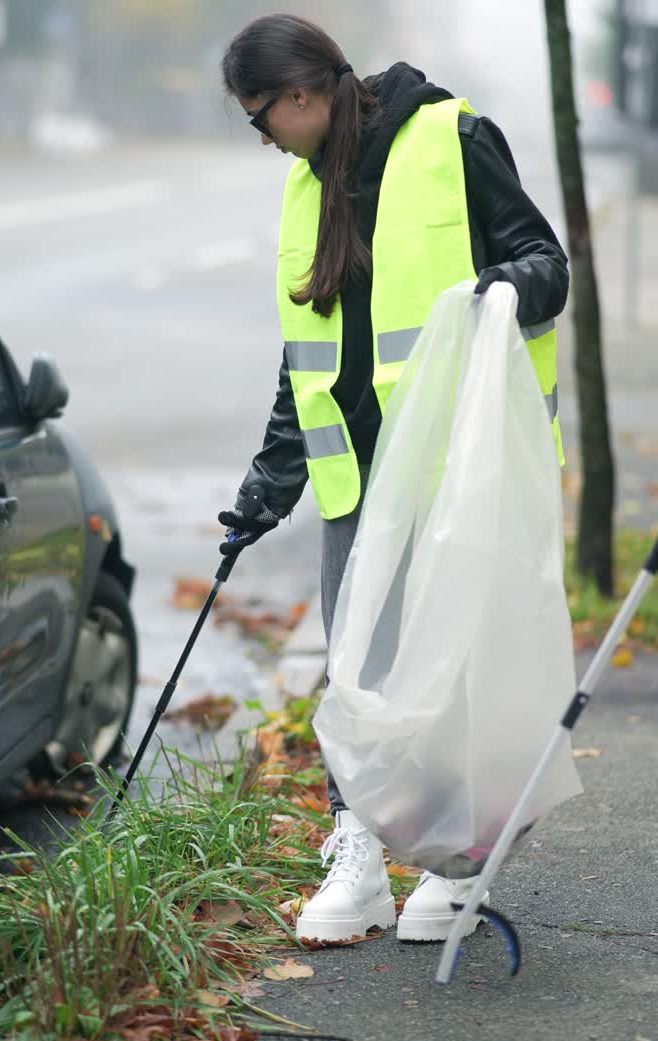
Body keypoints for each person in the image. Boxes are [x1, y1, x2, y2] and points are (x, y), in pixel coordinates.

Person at [218, 13, 568, 946]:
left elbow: (547, 264)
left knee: (454, 676)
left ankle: (462, 864)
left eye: (261, 117)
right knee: (356, 680)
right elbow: (306, 358)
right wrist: (267, 487)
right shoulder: (306, 188)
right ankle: (361, 857)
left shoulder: (450, 136)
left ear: (302, 94)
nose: (262, 138)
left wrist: (500, 293)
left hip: (456, 469)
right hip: (356, 482)